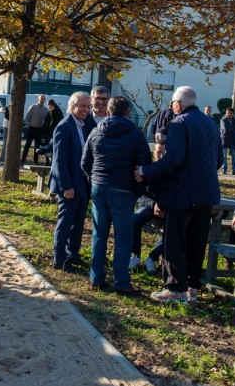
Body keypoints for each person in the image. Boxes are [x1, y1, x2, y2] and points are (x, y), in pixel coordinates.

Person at [134, 86, 221, 304]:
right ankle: (192, 288)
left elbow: (173, 159)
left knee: (175, 241)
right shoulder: (211, 123)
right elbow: (219, 160)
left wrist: (144, 171)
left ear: (178, 104)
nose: (171, 108)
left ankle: (175, 288)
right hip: (207, 193)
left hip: (182, 193)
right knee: (197, 241)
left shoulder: (179, 123)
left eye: (172, 104)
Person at [81, 97, 152, 294]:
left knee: (99, 234)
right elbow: (144, 165)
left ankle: (96, 278)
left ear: (108, 111)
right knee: (122, 238)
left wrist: (93, 180)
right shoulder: (136, 134)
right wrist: (138, 191)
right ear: (128, 112)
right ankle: (121, 282)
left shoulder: (96, 131)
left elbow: (85, 162)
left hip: (99, 187)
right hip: (123, 189)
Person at [50, 92, 94, 271]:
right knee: (65, 223)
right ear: (72, 107)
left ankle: (73, 254)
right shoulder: (65, 126)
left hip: (82, 183)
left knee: (78, 222)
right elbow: (59, 160)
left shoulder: (83, 126)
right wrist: (66, 186)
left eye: (87, 106)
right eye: (82, 106)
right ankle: (59, 259)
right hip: (69, 185)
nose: (86, 109)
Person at [128, 141, 166, 273]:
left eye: (164, 153)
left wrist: (164, 207)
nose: (161, 156)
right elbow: (141, 195)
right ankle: (135, 255)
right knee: (134, 219)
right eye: (158, 153)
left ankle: (153, 257)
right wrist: (154, 205)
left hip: (168, 209)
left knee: (174, 227)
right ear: (154, 153)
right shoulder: (147, 169)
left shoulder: (173, 170)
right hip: (151, 207)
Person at [21, 94, 48, 164]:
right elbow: (27, 117)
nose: (43, 100)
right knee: (27, 145)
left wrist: (42, 128)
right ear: (38, 99)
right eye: (41, 98)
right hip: (31, 128)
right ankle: (23, 159)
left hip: (39, 129)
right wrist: (28, 126)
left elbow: (45, 120)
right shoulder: (33, 107)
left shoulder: (45, 110)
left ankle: (35, 160)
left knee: (37, 146)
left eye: (44, 99)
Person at [220, 108, 235, 175]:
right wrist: (233, 129)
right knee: (224, 156)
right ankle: (224, 170)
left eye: (230, 113)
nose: (229, 114)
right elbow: (225, 128)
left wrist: (231, 128)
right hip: (225, 140)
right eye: (228, 113)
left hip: (233, 141)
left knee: (234, 157)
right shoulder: (223, 120)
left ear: (233, 114)